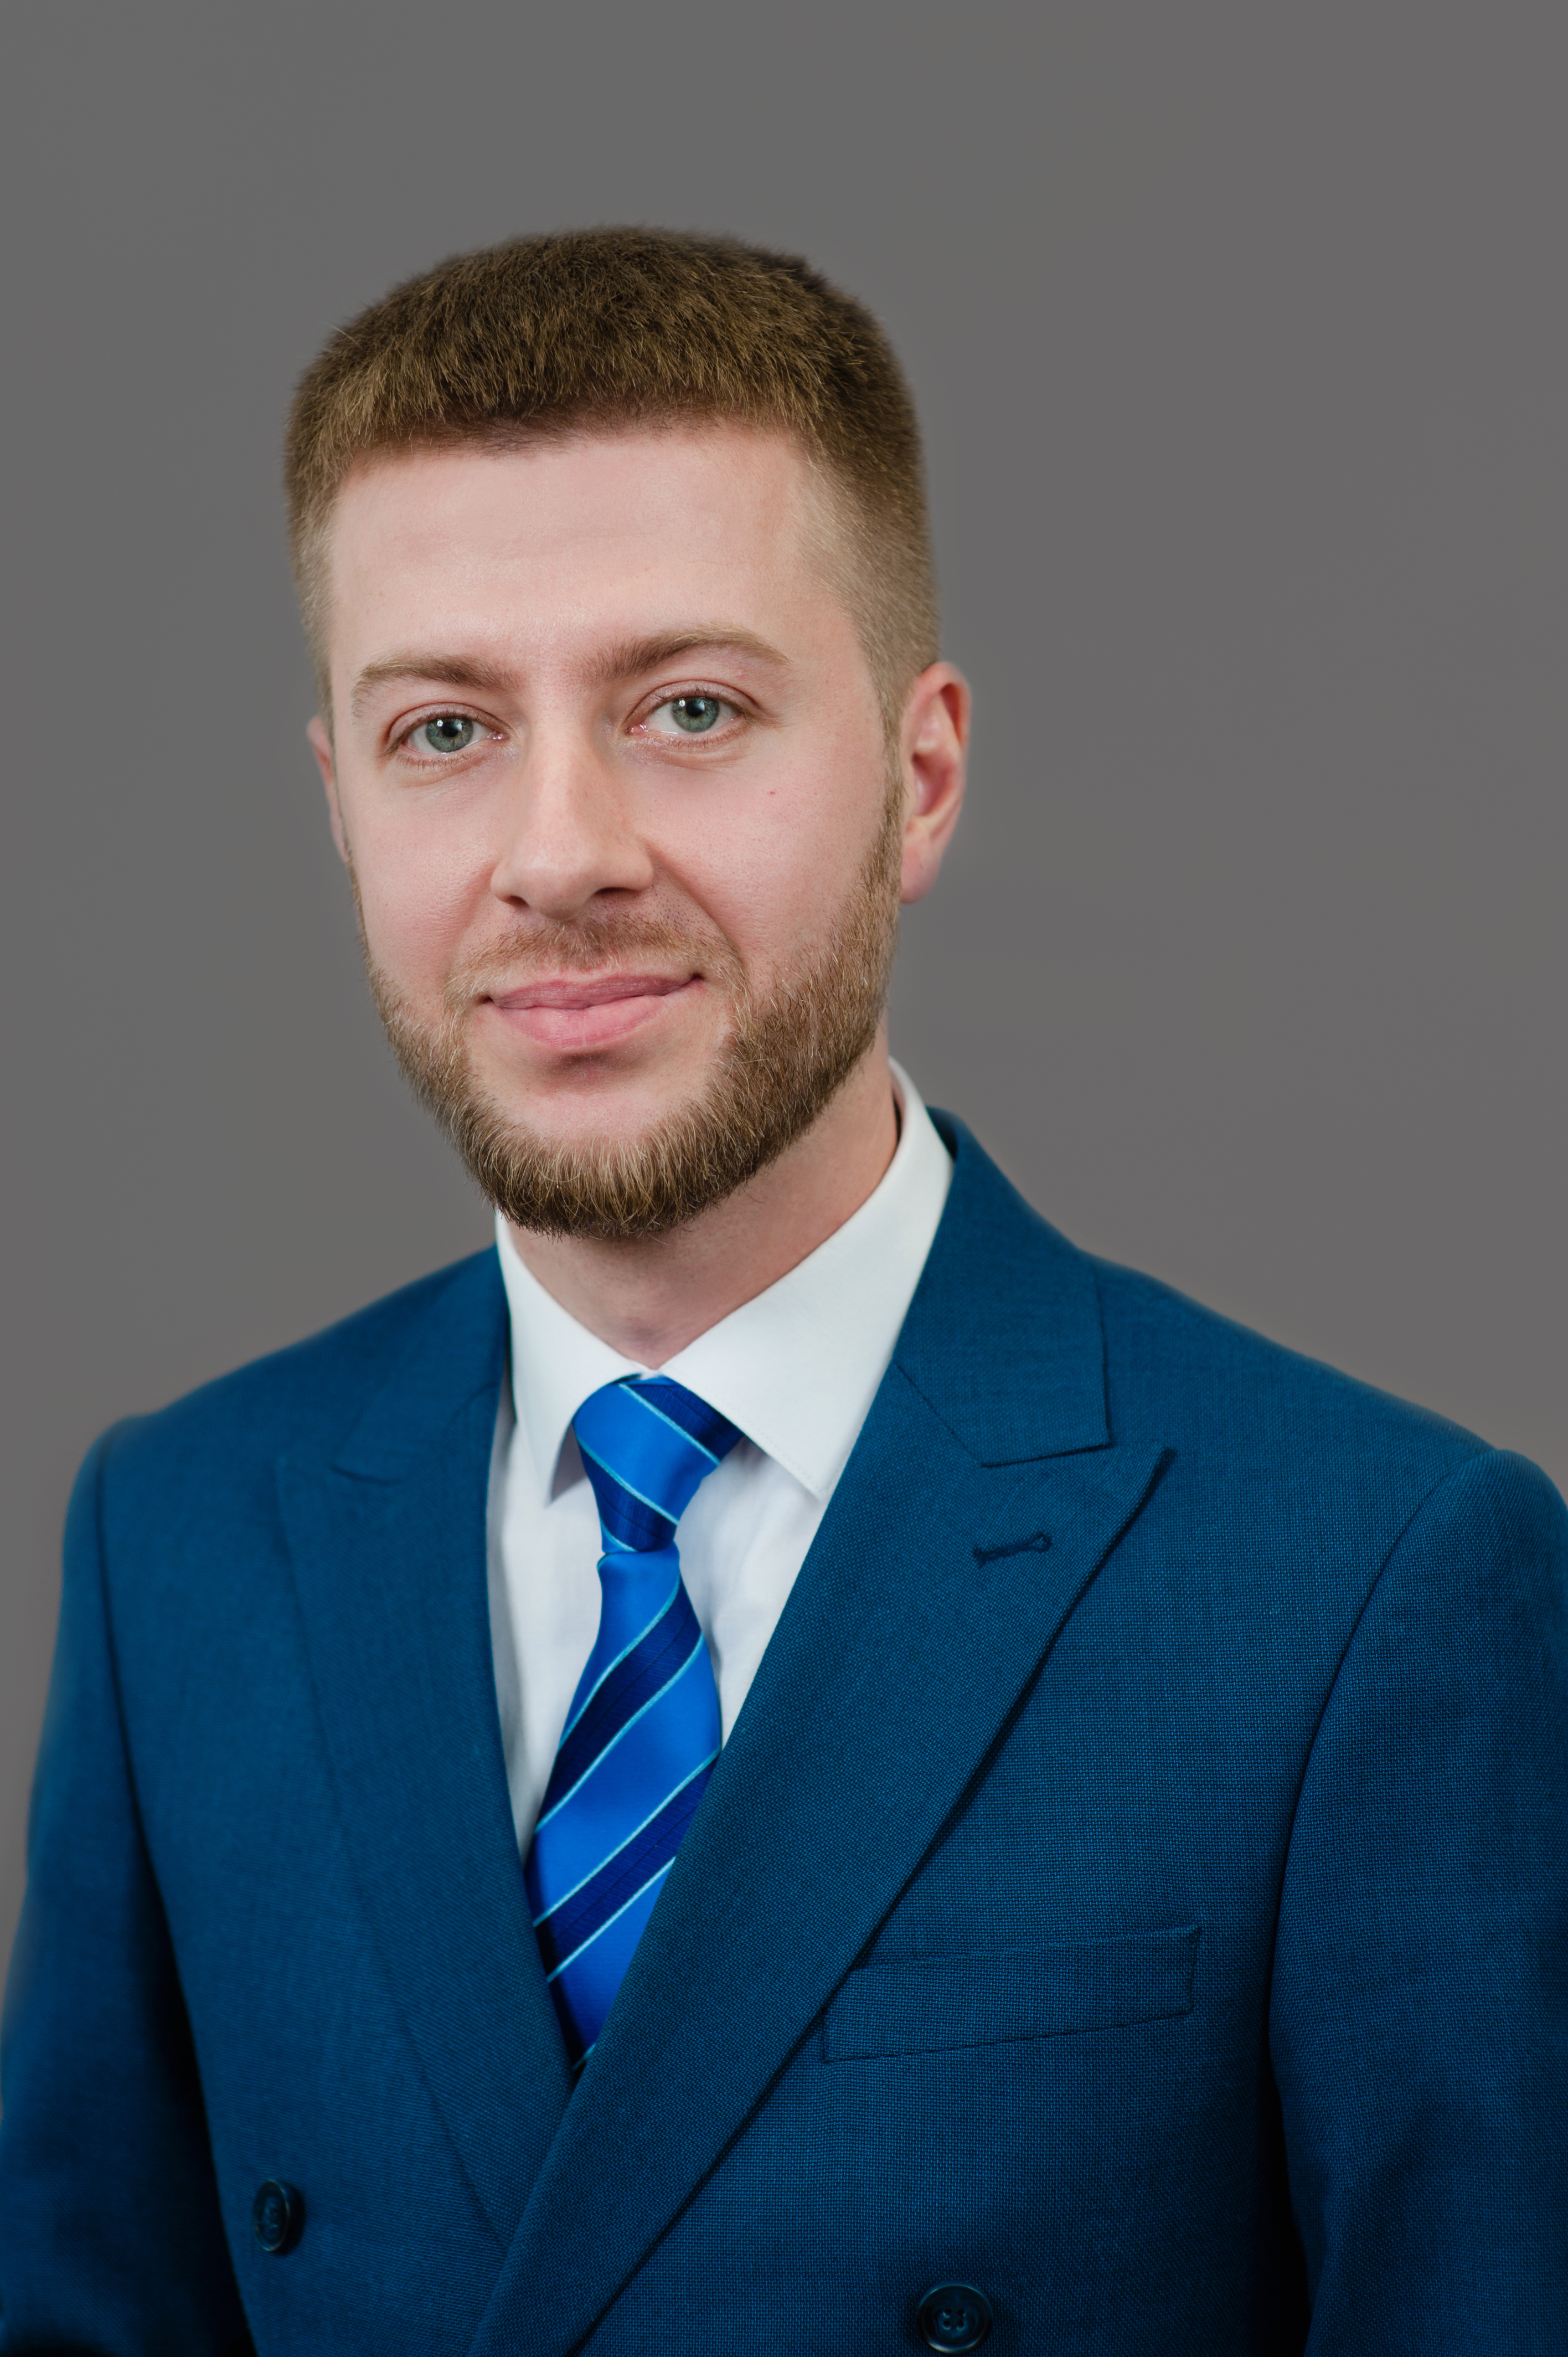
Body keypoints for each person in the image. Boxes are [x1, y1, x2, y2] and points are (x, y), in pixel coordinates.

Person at [0, 228, 1563, 2357]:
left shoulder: (1372, 1582)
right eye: (446, 727)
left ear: (922, 779)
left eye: (692, 709)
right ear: (341, 803)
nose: (561, 852)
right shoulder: (180, 1538)